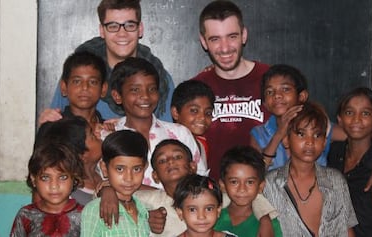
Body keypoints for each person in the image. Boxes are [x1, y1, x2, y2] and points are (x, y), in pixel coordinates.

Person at [250, 64, 372, 205]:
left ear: (302, 96)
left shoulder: (320, 128)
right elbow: (253, 177)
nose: (277, 96)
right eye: (270, 92)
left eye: (285, 89)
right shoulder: (259, 134)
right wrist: (279, 134)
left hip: (316, 207)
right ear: (265, 103)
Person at [47, 0, 174, 122]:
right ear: (102, 30)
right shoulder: (79, 73)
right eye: (113, 26)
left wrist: (125, 128)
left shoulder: (160, 78)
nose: (122, 33)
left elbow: (167, 135)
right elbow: (55, 127)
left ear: (140, 29)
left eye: (130, 25)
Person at [191, 0, 270, 180]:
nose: (225, 48)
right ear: (204, 42)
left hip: (268, 191)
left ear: (244, 35)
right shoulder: (195, 89)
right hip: (213, 198)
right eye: (215, 39)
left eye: (232, 36)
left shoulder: (273, 81)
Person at [133, 139, 278, 237]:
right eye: (163, 160)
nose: (171, 162)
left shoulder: (212, 194)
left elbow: (247, 194)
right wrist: (145, 217)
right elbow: (121, 197)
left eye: (177, 157)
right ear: (155, 175)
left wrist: (264, 218)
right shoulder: (149, 200)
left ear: (192, 167)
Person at [104, 57, 207, 188]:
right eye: (135, 90)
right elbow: (107, 184)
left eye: (152, 89)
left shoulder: (180, 133)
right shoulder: (110, 136)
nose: (145, 96)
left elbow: (200, 179)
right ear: (117, 96)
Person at [264, 101, 358, 236]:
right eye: (301, 134)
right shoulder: (270, 184)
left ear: (324, 142)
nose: (310, 142)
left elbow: (347, 230)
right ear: (286, 140)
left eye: (317, 135)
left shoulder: (335, 180)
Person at [328, 87, 372, 237]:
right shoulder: (331, 155)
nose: (356, 119)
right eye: (349, 112)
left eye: (365, 113)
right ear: (340, 119)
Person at [81, 130, 150, 236]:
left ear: (145, 167)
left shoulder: (144, 209)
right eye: (120, 169)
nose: (129, 178)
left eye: (136, 169)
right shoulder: (95, 210)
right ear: (104, 168)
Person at [10, 142, 85, 237]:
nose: (54, 186)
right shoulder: (26, 215)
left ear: (74, 178)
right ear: (34, 179)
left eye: (62, 177)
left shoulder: (85, 215)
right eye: (45, 178)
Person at [214, 145, 283, 237]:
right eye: (234, 182)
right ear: (222, 185)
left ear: (260, 186)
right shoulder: (212, 216)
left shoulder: (269, 224)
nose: (242, 189)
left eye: (250, 182)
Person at [36, 116, 103, 206]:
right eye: (93, 136)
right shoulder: (68, 194)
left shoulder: (104, 171)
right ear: (82, 155)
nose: (99, 135)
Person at [38, 51, 108, 129]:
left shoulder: (108, 131)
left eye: (93, 82)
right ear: (64, 87)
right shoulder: (54, 128)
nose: (85, 87)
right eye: (77, 81)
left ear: (103, 89)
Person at [171, 80, 215, 162]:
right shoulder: (168, 147)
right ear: (176, 112)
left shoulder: (202, 145)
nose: (202, 117)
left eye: (208, 113)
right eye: (194, 111)